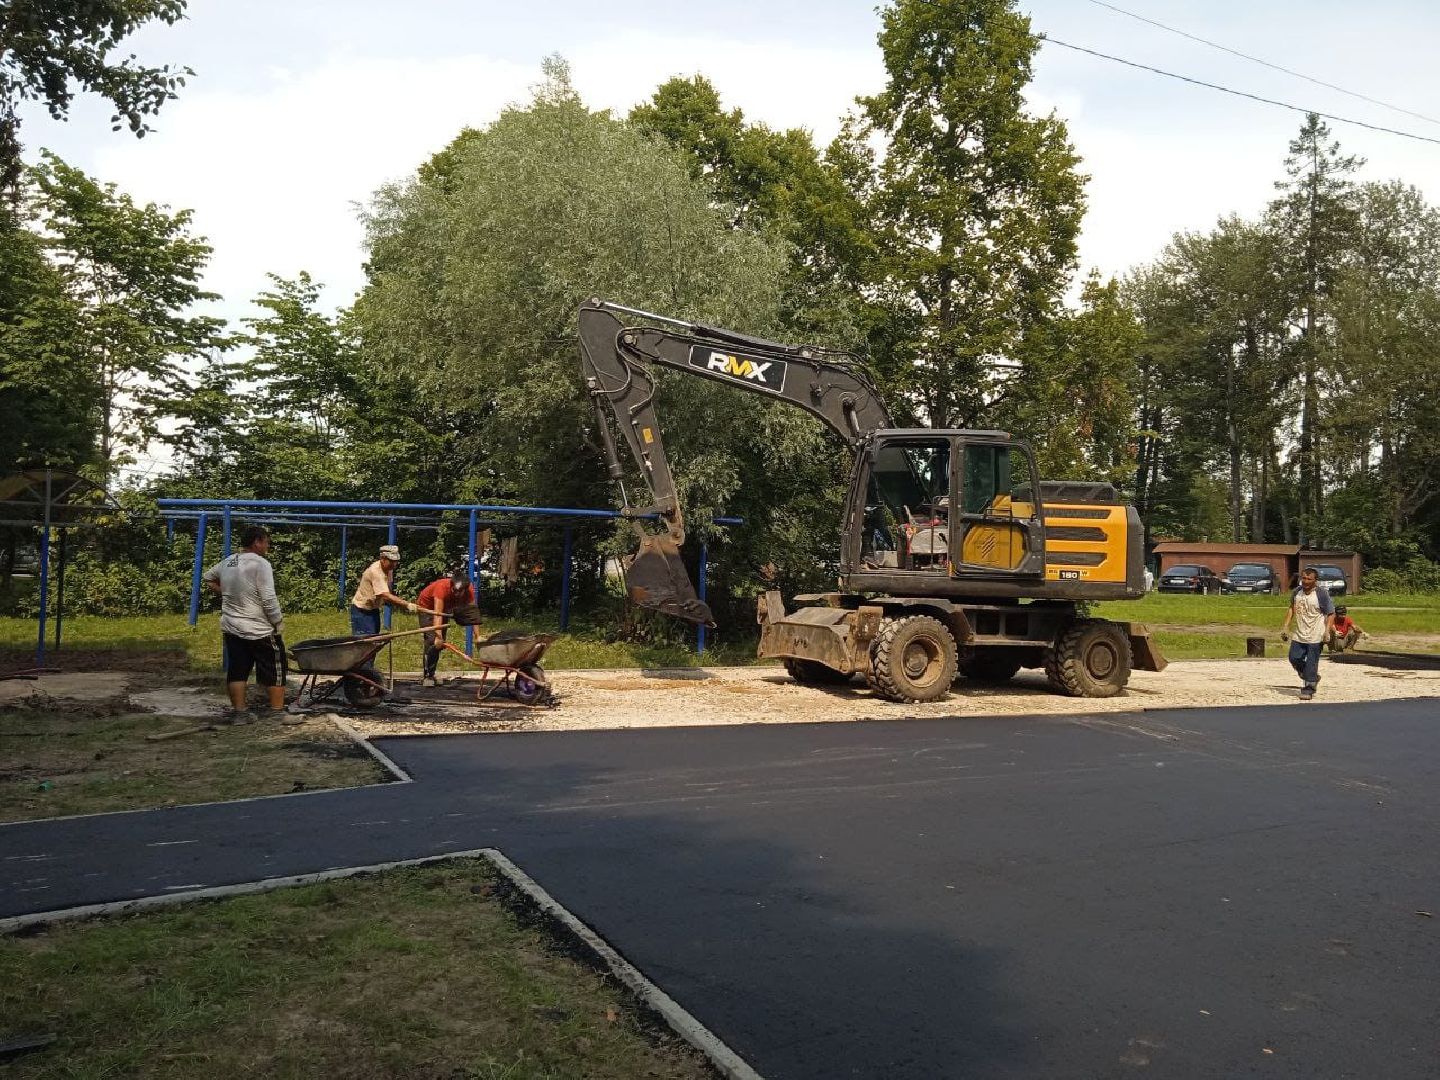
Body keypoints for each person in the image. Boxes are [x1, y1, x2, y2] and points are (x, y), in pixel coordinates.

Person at [203, 525, 296, 724]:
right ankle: (277, 713)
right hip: (258, 627)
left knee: (238, 669)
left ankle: (240, 713)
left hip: (232, 626)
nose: (268, 546)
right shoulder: (260, 564)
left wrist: (227, 593)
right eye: (266, 542)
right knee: (275, 667)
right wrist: (277, 621)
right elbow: (269, 598)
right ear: (257, 542)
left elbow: (208, 578)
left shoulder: (228, 561)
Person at [1280, 566, 1335, 701]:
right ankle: (1312, 676)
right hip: (1300, 633)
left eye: (1309, 579)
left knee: (1311, 662)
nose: (1305, 581)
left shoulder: (1321, 594)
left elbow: (1331, 613)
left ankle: (1308, 688)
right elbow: (1292, 609)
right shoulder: (1297, 592)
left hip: (1316, 635)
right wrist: (1286, 626)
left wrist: (1327, 631)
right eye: (1303, 578)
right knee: (1294, 658)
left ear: (1315, 580)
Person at [416, 565, 478, 687]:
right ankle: (427, 676)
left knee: (439, 644)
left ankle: (432, 673)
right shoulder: (442, 588)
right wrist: (437, 636)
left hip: (445, 609)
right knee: (432, 640)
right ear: (451, 585)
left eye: (459, 592)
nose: (456, 594)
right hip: (427, 608)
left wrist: (478, 636)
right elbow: (437, 614)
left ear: (465, 589)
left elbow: (473, 615)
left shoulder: (469, 590)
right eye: (454, 591)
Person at [349, 544, 417, 637]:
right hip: (362, 610)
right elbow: (385, 594)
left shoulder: (389, 570)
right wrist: (407, 604)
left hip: (373, 609)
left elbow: (386, 592)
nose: (394, 564)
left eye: (396, 561)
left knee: (374, 639)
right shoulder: (376, 572)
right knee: (364, 642)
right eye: (391, 561)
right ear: (382, 558)